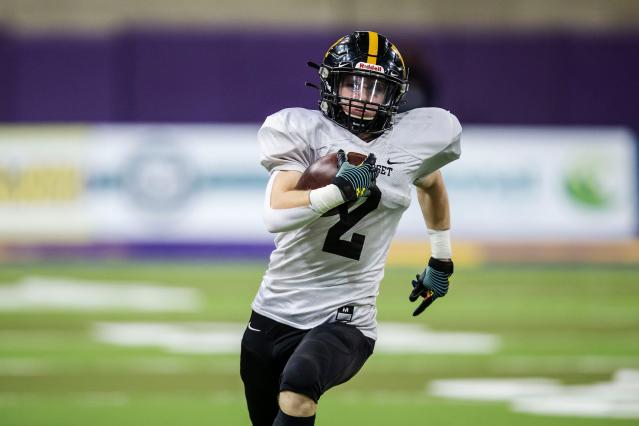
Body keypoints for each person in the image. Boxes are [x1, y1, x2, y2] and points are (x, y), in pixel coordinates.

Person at [240, 31, 461, 426]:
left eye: (377, 88)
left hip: (347, 317)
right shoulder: (302, 131)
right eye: (353, 83)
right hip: (274, 311)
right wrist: (338, 189)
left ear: (395, 95)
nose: (363, 97)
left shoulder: (410, 141)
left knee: (300, 384)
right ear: (331, 83)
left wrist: (440, 257)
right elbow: (275, 213)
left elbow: (432, 184)